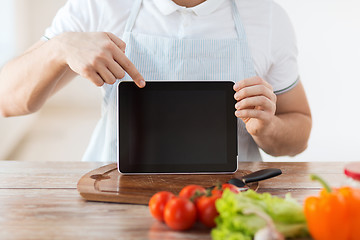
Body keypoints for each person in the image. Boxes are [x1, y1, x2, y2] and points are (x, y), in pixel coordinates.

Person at [0, 0, 312, 162]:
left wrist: (268, 128)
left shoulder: (266, 16)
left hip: (226, 203)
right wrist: (59, 48)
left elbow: (299, 130)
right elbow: (7, 98)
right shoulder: (100, 5)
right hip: (111, 199)